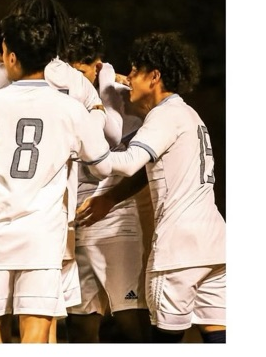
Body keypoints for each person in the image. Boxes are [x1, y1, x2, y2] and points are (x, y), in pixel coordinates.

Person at [0, 13, 113, 344]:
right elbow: (102, 166)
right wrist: (93, 119)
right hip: (42, 235)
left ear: (11, 57)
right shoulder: (70, 109)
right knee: (36, 330)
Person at [78, 32, 226, 344]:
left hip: (178, 250)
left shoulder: (164, 115)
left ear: (154, 76)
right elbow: (147, 171)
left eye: (135, 70)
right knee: (217, 336)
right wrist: (111, 197)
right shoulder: (188, 114)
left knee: (162, 340)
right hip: (214, 245)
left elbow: (129, 162)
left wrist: (87, 145)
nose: (129, 78)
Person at [65, 21, 151, 343]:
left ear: (98, 67)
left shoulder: (124, 97)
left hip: (115, 223)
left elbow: (142, 165)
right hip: (74, 221)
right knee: (80, 321)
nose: (74, 81)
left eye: (80, 72)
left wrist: (111, 199)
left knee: (130, 317)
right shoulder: (60, 97)